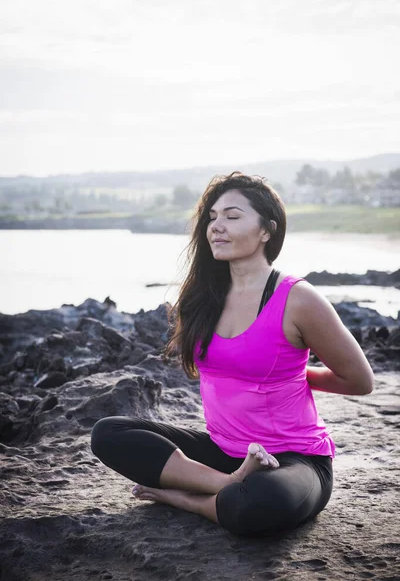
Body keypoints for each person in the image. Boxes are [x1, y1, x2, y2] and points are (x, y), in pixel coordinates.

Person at [90, 172, 374, 537]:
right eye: (213, 217)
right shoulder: (204, 297)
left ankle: (187, 498)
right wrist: (236, 473)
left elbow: (360, 380)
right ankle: (229, 482)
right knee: (109, 433)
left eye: (233, 216)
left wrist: (294, 376)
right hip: (225, 451)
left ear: (267, 231)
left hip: (294, 459)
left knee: (257, 503)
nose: (217, 227)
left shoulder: (297, 299)